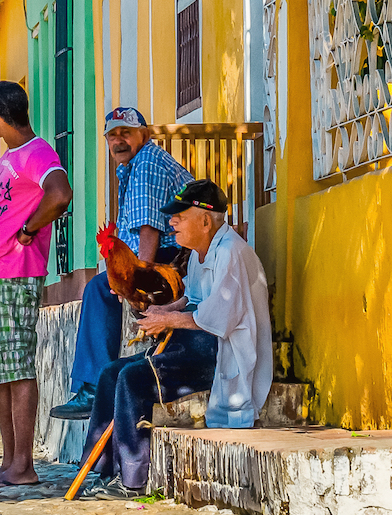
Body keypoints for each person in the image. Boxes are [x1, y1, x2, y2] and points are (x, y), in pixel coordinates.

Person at [83, 180, 272, 498]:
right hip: (197, 342)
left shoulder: (230, 254)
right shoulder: (200, 254)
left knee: (133, 379)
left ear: (205, 220)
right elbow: (193, 300)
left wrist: (167, 319)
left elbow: (216, 320)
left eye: (179, 217)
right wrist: (163, 310)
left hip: (220, 351)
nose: (171, 223)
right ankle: (99, 470)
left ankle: (132, 479)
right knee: (110, 373)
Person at [51, 107, 196, 420]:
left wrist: (135, 281)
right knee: (103, 287)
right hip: (166, 258)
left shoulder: (147, 162)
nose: (118, 141)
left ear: (142, 134)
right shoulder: (133, 167)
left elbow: (149, 228)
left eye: (125, 133)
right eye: (112, 135)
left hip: (173, 259)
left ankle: (91, 389)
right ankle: (94, 386)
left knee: (98, 291)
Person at [0, 80, 71, 490]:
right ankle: (10, 461)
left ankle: (24, 464)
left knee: (16, 367)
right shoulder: (10, 157)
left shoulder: (37, 152)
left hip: (16, 273)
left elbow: (60, 194)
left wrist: (29, 228)